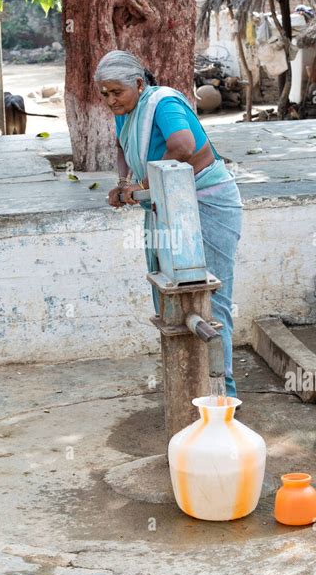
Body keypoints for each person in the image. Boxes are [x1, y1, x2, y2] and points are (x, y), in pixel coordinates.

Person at [94, 50, 243, 397]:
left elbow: (183, 147)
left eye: (117, 92)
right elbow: (121, 143)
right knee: (174, 295)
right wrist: (122, 182)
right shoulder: (128, 110)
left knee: (212, 297)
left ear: (139, 83)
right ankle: (192, 382)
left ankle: (224, 392)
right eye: (105, 94)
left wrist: (139, 188)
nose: (111, 100)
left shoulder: (162, 102)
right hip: (170, 206)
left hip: (208, 200)